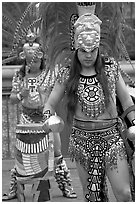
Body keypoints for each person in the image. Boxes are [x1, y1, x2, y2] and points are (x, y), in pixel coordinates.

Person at [42, 5, 135, 202]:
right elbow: (49, 105)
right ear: (76, 47)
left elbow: (126, 100)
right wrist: (50, 119)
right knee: (92, 197)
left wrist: (134, 123)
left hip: (111, 139)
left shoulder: (110, 68)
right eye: (84, 50)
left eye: (92, 50)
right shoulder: (67, 73)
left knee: (124, 194)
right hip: (82, 141)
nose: (88, 55)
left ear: (98, 47)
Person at [2, 29, 77, 201]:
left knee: (56, 152)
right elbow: (13, 99)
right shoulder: (19, 75)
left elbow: (61, 89)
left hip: (46, 117)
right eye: (30, 60)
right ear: (24, 58)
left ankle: (66, 185)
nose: (33, 63)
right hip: (26, 118)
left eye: (36, 59)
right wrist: (22, 94)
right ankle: (15, 187)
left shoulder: (50, 74)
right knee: (22, 154)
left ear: (42, 57)